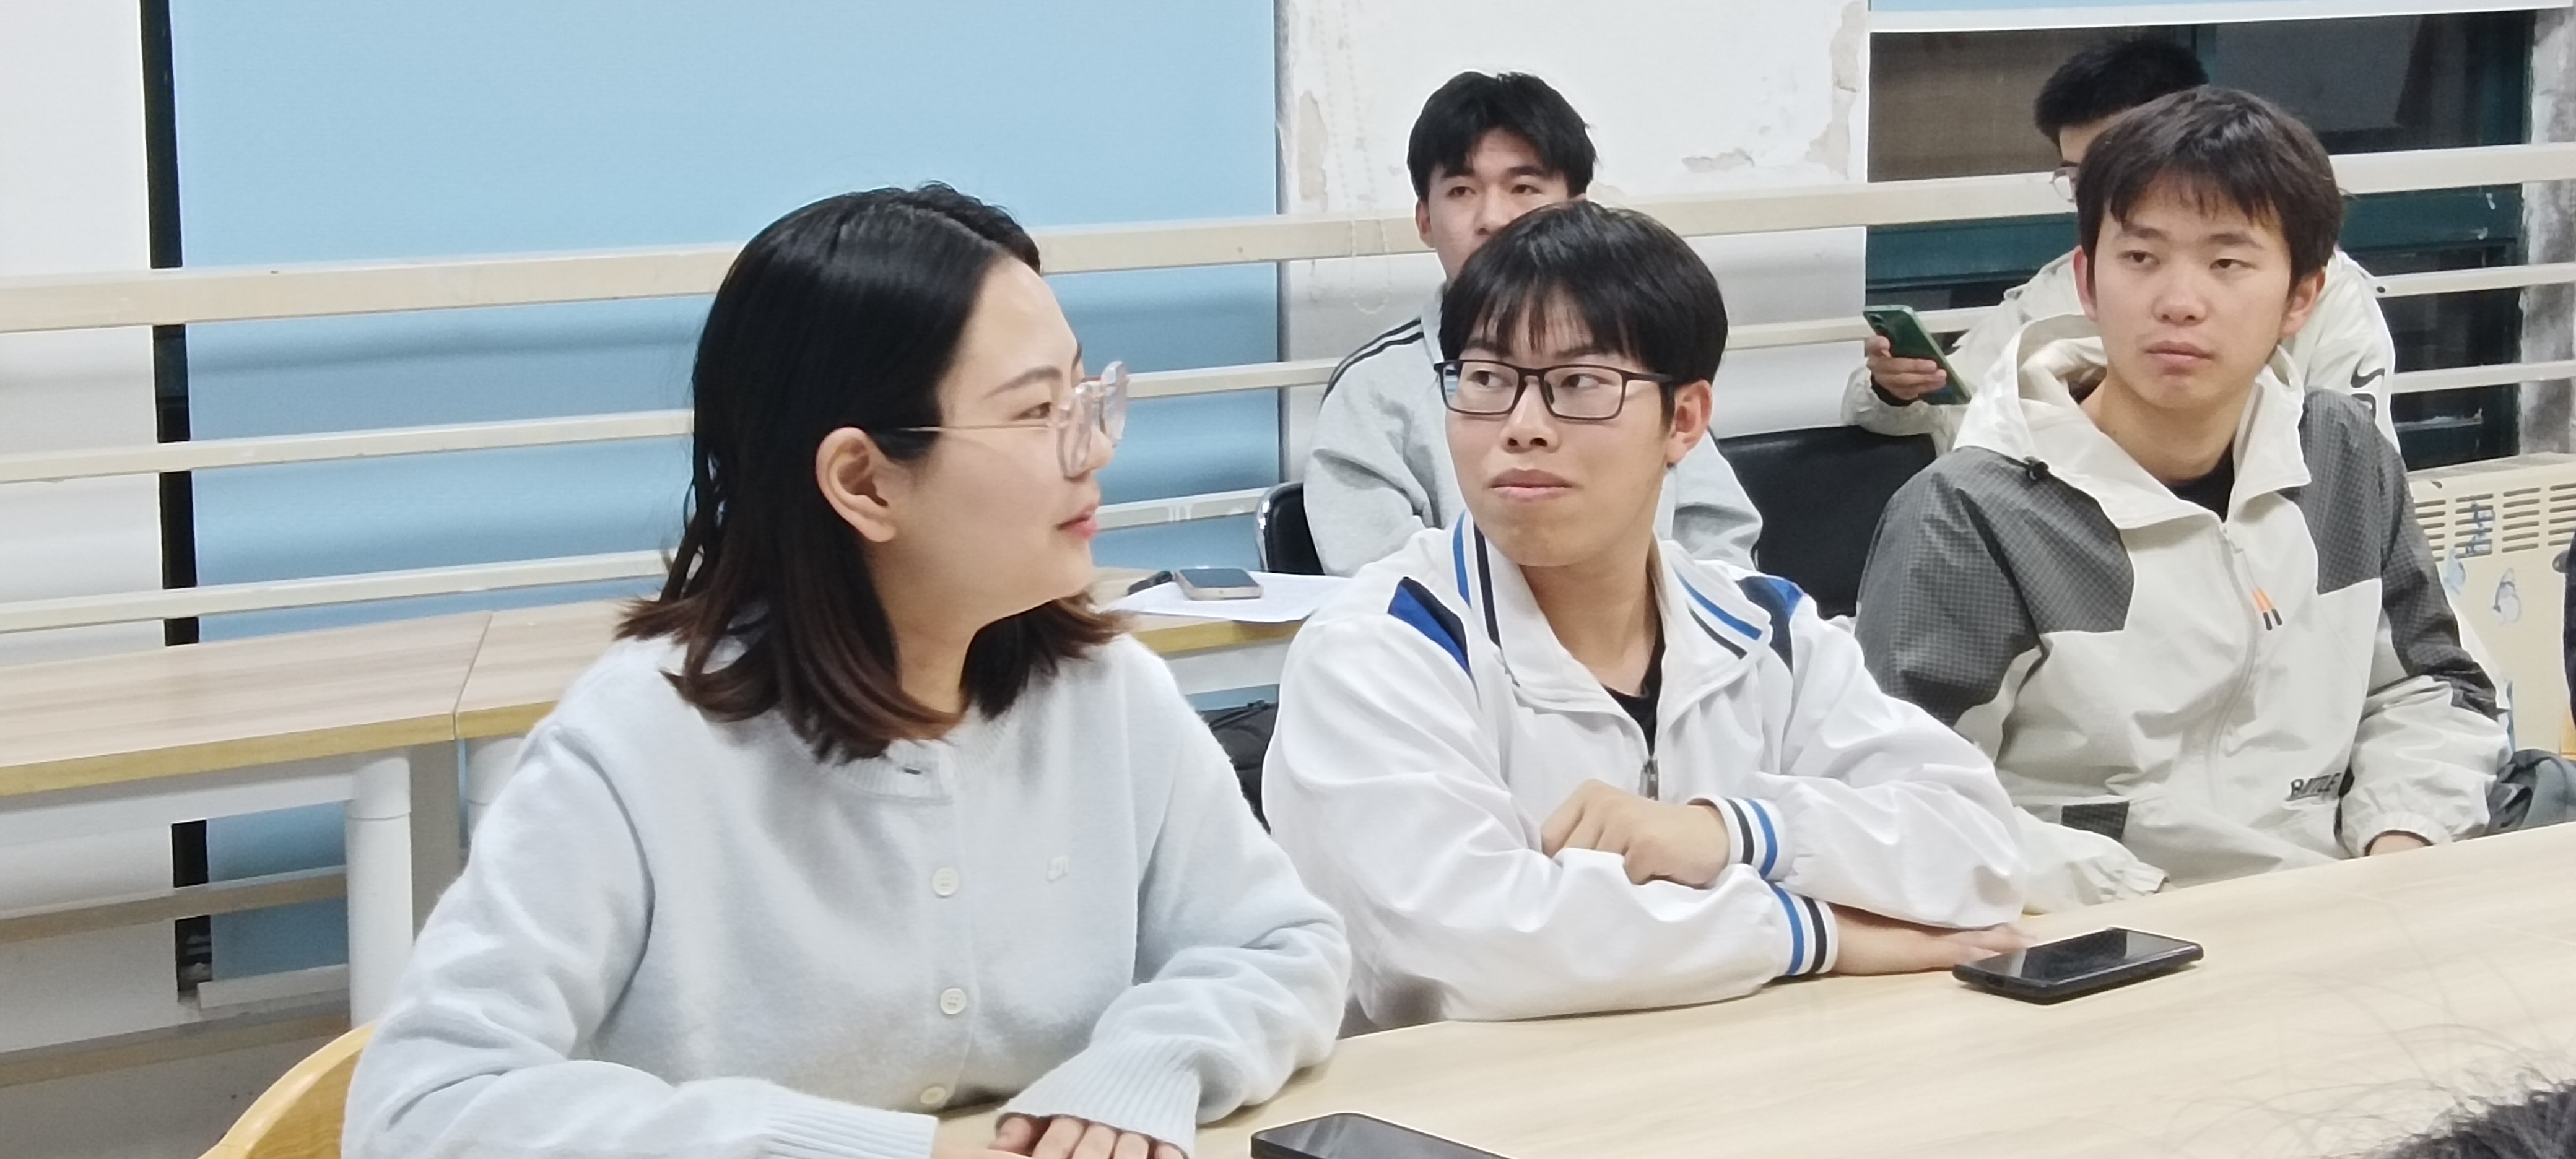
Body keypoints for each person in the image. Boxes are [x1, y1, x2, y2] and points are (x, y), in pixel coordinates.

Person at [343, 187, 1349, 1159]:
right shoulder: (642, 740)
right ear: (864, 481)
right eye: (1039, 411)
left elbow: (1282, 947)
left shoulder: (1107, 692)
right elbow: (420, 1109)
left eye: (1084, 395)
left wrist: (1145, 1064)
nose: (1092, 451)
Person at [1264, 199, 2026, 1031]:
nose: (1521, 427)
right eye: (1485, 381)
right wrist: (1810, 932)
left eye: (1578, 385)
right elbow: (1462, 944)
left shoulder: (1762, 629)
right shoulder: (1380, 646)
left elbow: (1977, 848)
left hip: (1734, 1072)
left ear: (1684, 420)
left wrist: (1735, 833)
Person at [1855, 89, 2506, 913]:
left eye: (2227, 263)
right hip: (2096, 933)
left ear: (2301, 297)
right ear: (2087, 281)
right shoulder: (1972, 514)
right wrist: (2153, 900)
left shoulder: (2340, 455)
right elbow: (1903, 799)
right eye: (2141, 257)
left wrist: (2397, 842)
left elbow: (2431, 687)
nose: (2178, 301)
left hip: (2336, 907)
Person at [1303, 70, 1762, 576]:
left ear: (1577, 212)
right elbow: (1378, 580)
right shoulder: (1375, 390)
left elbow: (1721, 547)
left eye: (1523, 188)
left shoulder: (1638, 363)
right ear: (1425, 220)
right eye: (1461, 191)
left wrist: (1653, 618)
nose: (1494, 218)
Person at [1845, 37, 2401, 450]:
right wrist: (1896, 390)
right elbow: (1956, 413)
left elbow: (2354, 474)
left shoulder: (2326, 294)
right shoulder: (2064, 285)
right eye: (2077, 175)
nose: (2179, 304)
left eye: (2227, 262)